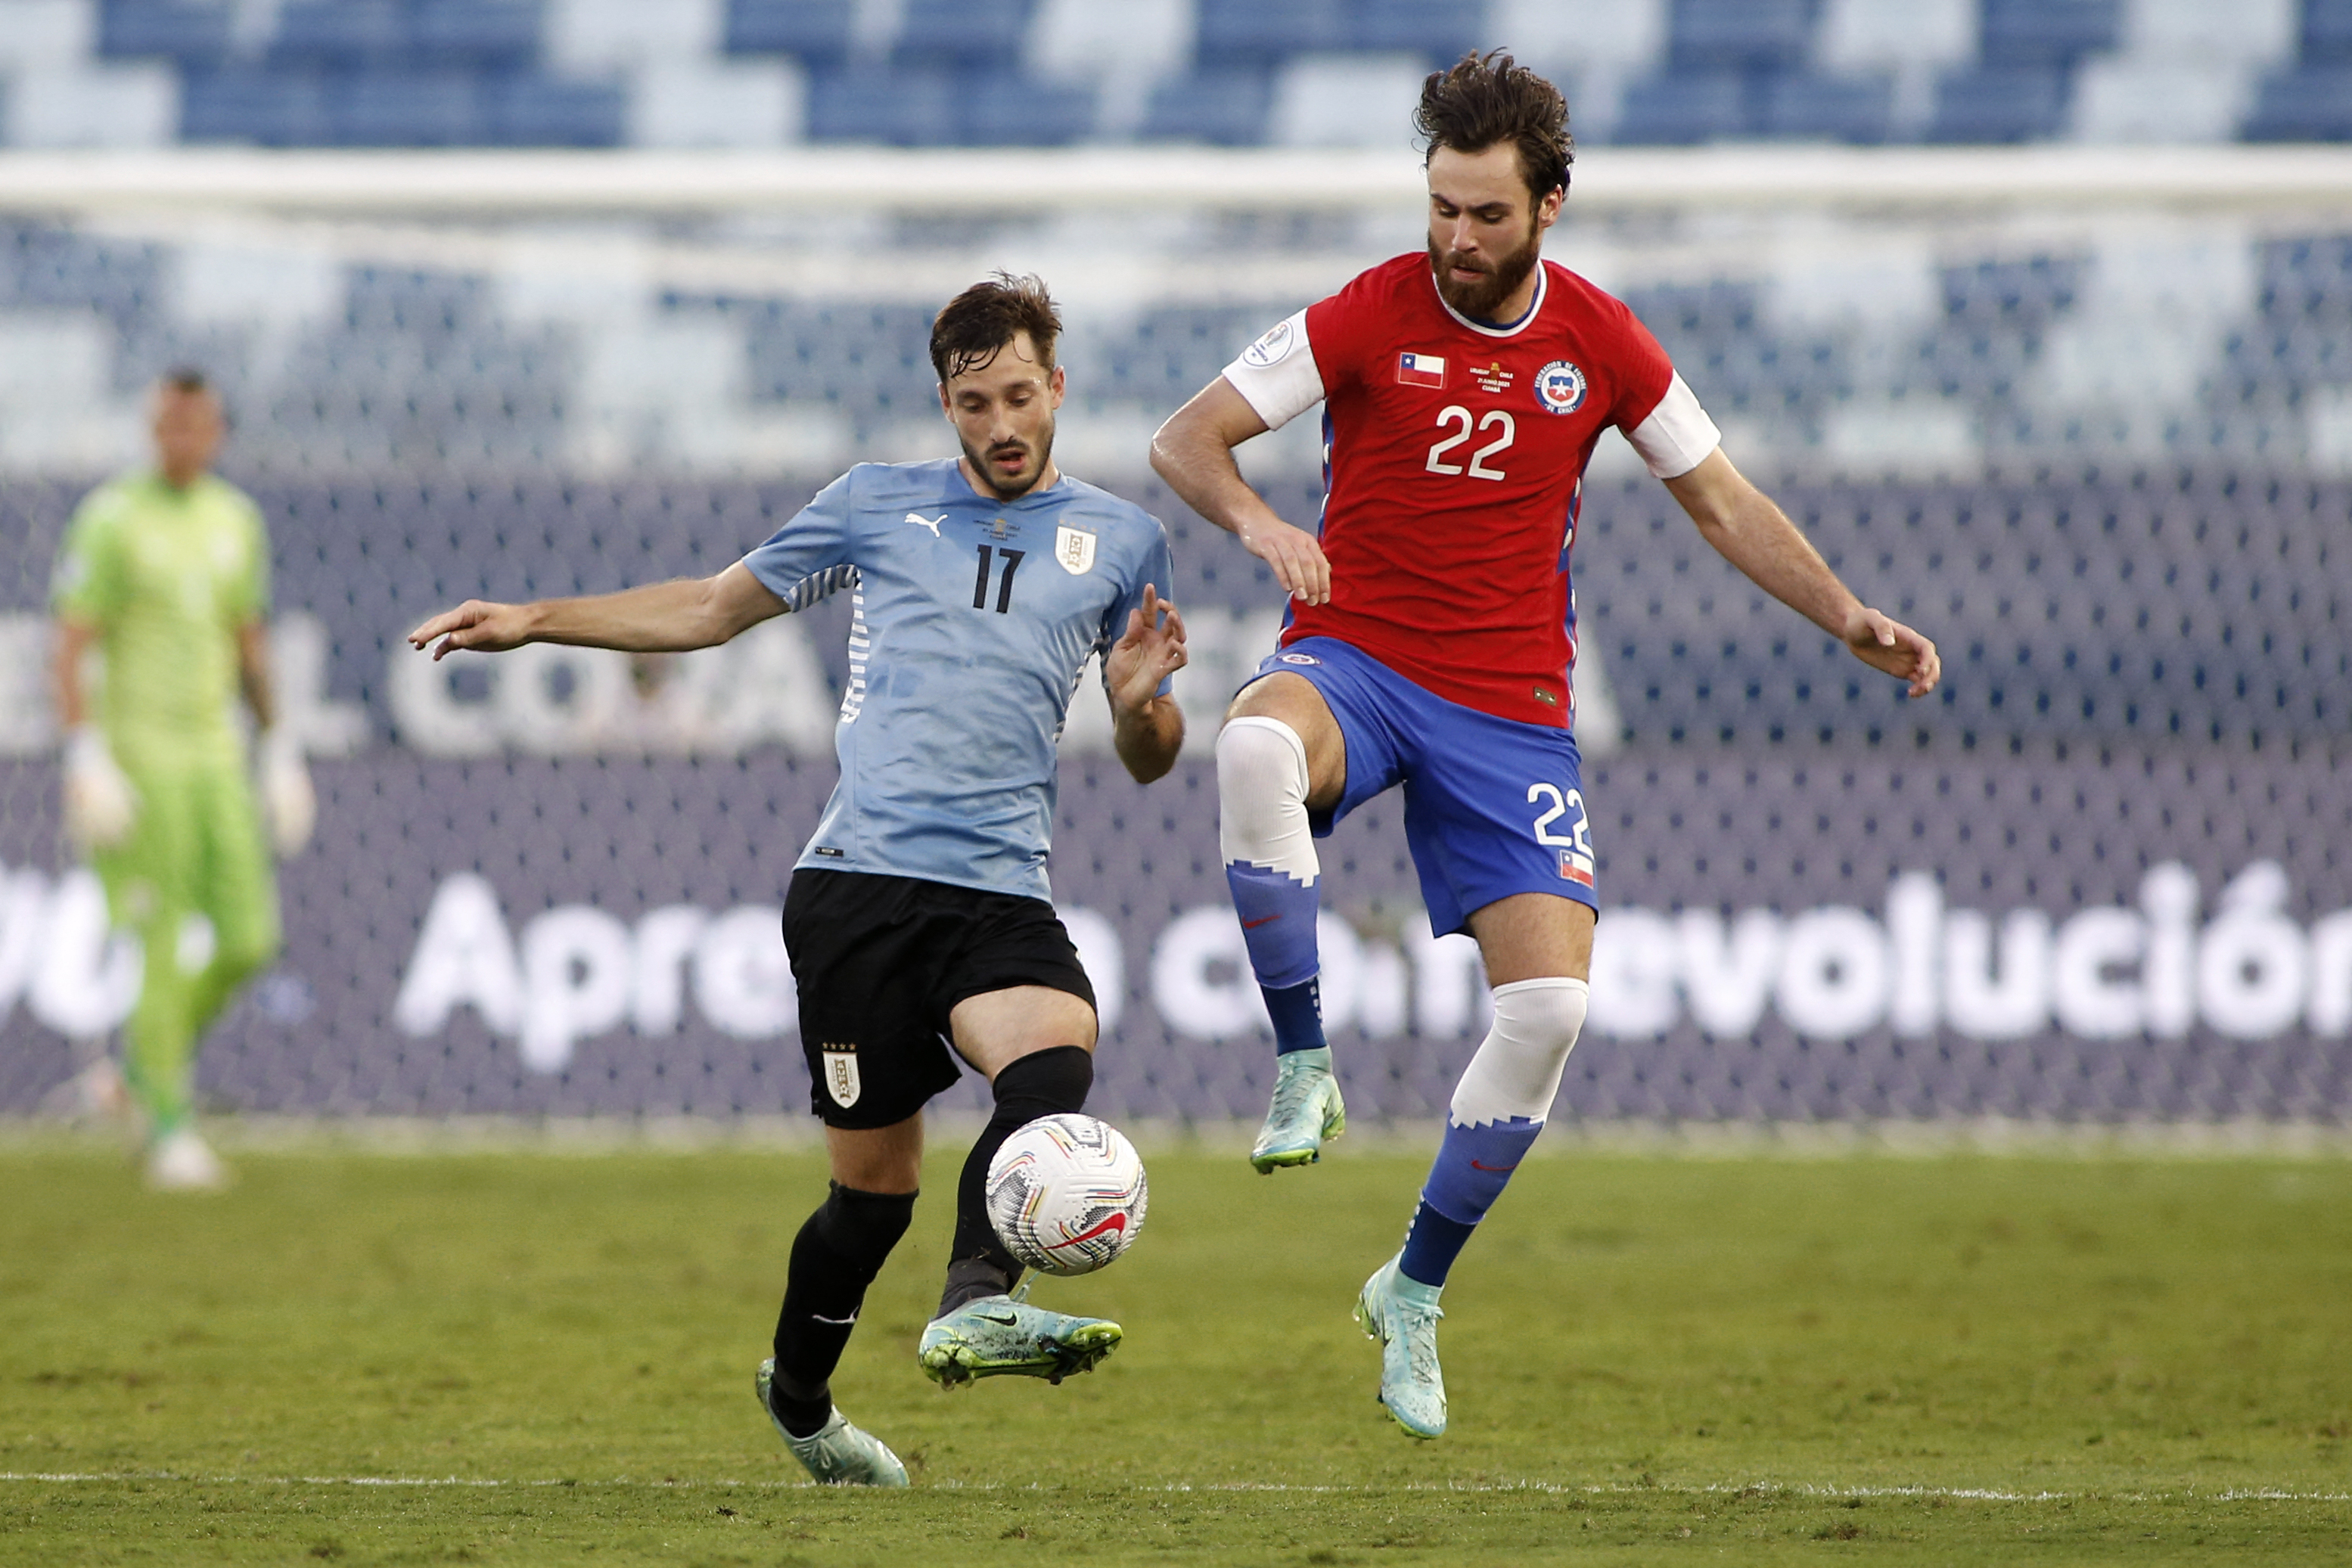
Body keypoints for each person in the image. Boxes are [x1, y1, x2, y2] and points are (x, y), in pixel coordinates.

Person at [1150, 54, 1941, 1440]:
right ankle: (1300, 1062)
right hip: (1355, 663)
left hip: (1509, 709)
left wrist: (1841, 616)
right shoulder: (1364, 310)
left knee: (1550, 1013)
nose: (1455, 239)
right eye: (1441, 208)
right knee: (1250, 755)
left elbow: (1718, 498)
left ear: (1549, 207)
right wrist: (1261, 526)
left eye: (1485, 216)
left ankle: (1409, 1286)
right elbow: (1184, 438)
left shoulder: (1604, 341)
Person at [407, 275, 1188, 1488]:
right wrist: (537, 619)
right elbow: (713, 610)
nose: (1000, 424)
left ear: (1058, 388)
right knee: (871, 1200)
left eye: (1020, 395)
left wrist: (1143, 710)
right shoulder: (874, 508)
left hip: (1001, 893)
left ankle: (974, 1300)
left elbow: (1149, 757)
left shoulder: (1123, 539)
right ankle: (803, 1401)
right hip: (859, 890)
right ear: (944, 403)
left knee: (1054, 1067)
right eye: (974, 401)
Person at [51, 368, 315, 1192]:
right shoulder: (111, 518)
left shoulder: (235, 520)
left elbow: (249, 642)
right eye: (166, 424)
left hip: (217, 760)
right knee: (160, 947)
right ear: (149, 428)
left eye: (194, 426)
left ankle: (134, 1075)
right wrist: (83, 753)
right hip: (139, 763)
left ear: (218, 433)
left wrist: (278, 748)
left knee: (248, 941)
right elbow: (70, 644)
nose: (179, 440)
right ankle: (167, 1128)